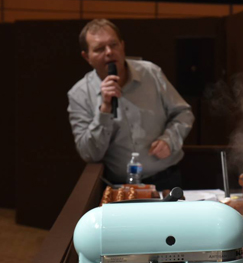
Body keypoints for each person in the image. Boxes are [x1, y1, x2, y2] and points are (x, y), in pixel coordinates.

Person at [67, 19, 195, 191]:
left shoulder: (151, 73)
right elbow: (90, 153)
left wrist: (169, 140)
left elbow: (184, 113)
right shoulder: (79, 94)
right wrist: (104, 108)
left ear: (122, 45)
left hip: (166, 181)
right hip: (119, 187)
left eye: (114, 44)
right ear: (86, 56)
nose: (109, 52)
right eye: (99, 49)